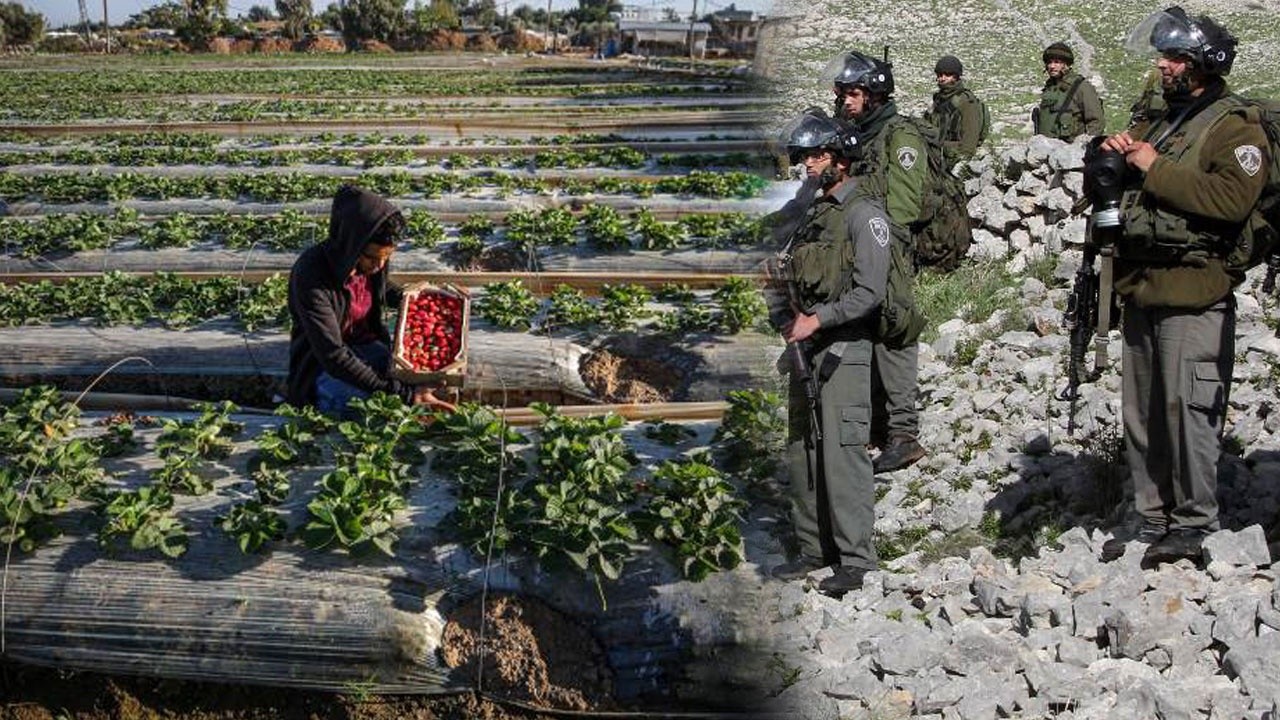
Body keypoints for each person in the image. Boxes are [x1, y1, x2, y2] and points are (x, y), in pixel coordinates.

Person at [1095, 7, 1265, 565]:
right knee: (1141, 411)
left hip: (1195, 290)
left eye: (1174, 59)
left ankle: (1193, 521)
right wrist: (1116, 156)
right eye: (1163, 57)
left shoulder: (1232, 126)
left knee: (1187, 408)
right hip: (1143, 286)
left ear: (1201, 65)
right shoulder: (1164, 119)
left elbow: (1230, 199)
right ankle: (1149, 515)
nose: (1163, 67)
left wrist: (1151, 166)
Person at [769, 110, 891, 598]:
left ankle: (857, 561)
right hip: (807, 345)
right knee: (802, 448)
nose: (810, 166)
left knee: (842, 451)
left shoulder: (865, 215)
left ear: (842, 158)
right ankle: (814, 550)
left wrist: (815, 321)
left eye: (818, 156)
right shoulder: (812, 214)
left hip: (845, 345)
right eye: (806, 159)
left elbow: (869, 292)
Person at [830, 50, 926, 474]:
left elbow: (904, 208)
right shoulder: (858, 135)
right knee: (864, 333)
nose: (847, 102)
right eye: (844, 94)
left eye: (854, 94)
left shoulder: (899, 136)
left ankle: (904, 436)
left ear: (874, 94)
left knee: (894, 335)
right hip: (860, 247)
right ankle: (877, 427)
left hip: (889, 247)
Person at [287, 184, 455, 416]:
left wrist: (418, 297)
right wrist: (402, 394)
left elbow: (381, 289)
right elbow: (334, 356)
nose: (379, 266)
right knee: (375, 408)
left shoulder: (371, 262)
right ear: (351, 245)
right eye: (373, 257)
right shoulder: (312, 277)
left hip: (367, 348)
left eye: (387, 257)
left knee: (424, 376)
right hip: (324, 368)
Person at [1033, 42, 1104, 140]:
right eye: (1049, 62)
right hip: (1046, 149)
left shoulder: (1081, 87)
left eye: (1057, 62)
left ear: (1066, 64)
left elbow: (1096, 122)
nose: (1052, 66)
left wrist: (1086, 147)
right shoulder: (1050, 87)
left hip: (1072, 150)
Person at [925, 54, 985, 163]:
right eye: (939, 75)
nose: (942, 78)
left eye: (947, 75)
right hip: (935, 155)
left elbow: (969, 145)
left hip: (954, 159)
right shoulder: (938, 100)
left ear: (956, 76)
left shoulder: (966, 102)